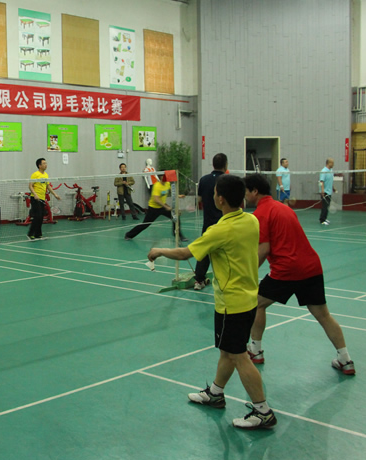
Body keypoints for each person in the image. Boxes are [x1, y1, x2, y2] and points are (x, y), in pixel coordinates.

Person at [147, 174, 276, 430]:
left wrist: (159, 251)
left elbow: (186, 253)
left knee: (239, 356)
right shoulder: (251, 220)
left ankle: (263, 411)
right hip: (248, 298)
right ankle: (215, 393)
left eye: (215, 192)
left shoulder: (219, 230)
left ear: (220, 199)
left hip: (232, 304)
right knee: (227, 351)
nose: (213, 195)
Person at [243, 173, 355, 375]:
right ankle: (345, 360)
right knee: (323, 315)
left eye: (246, 191)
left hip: (287, 269)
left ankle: (255, 351)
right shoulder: (284, 208)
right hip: (311, 267)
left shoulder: (260, 215)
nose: (244, 195)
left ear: (254, 191)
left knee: (256, 303)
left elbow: (264, 249)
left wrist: (247, 273)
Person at [192, 153, 227, 290]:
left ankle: (199, 280)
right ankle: (227, 279)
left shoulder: (204, 180)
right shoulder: (227, 180)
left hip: (208, 223)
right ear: (225, 165)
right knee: (227, 251)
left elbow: (199, 200)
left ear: (213, 164)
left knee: (204, 251)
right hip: (225, 223)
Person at [124, 172, 187, 242]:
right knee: (145, 224)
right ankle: (129, 235)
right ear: (160, 177)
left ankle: (178, 235)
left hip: (162, 207)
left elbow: (172, 192)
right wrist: (166, 207)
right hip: (153, 208)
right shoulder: (157, 186)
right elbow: (156, 199)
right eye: (164, 176)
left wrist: (178, 196)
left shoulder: (167, 184)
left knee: (176, 218)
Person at [28, 158, 61, 241]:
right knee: (37, 216)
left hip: (42, 198)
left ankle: (38, 234)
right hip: (35, 198)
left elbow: (48, 186)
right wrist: (35, 194)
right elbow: (30, 185)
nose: (46, 165)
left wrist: (55, 194)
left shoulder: (46, 175)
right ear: (39, 165)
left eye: (46, 163)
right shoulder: (35, 174)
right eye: (44, 163)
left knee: (41, 217)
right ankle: (30, 234)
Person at [319, 158, 335, 225]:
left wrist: (333, 188)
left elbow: (331, 181)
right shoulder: (323, 171)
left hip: (329, 191)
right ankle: (322, 220)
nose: (333, 164)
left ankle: (325, 218)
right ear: (328, 163)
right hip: (325, 192)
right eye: (332, 163)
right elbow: (321, 181)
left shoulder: (331, 171)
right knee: (324, 206)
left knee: (327, 206)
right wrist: (322, 191)